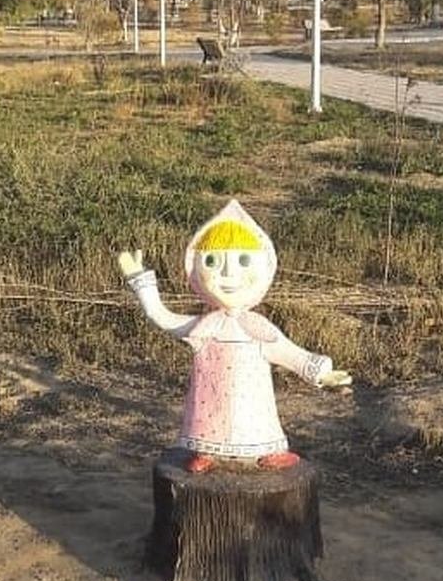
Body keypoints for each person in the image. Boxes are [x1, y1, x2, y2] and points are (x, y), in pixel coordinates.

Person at [118, 200, 351, 474]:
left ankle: (269, 449)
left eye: (243, 261)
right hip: (211, 398)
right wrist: (142, 282)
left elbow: (289, 352)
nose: (229, 274)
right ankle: (206, 450)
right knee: (208, 415)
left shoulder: (257, 327)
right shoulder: (205, 327)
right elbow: (162, 316)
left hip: (253, 405)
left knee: (258, 416)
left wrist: (321, 372)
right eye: (212, 261)